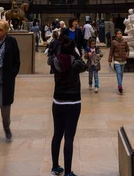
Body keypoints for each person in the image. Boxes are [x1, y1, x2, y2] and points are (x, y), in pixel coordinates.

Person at [50, 35, 87, 176]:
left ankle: (55, 167)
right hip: (73, 102)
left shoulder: (55, 61)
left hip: (58, 101)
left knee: (57, 135)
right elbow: (84, 65)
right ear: (72, 50)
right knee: (69, 137)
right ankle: (67, 172)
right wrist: (76, 54)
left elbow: (50, 60)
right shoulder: (76, 63)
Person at [108, 29, 129, 94]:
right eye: (118, 34)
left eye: (120, 33)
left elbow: (127, 49)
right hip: (116, 60)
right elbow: (111, 51)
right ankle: (120, 86)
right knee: (118, 73)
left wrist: (127, 54)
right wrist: (110, 60)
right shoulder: (113, 42)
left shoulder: (125, 42)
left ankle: (120, 84)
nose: (119, 35)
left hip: (123, 60)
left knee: (121, 73)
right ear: (116, 35)